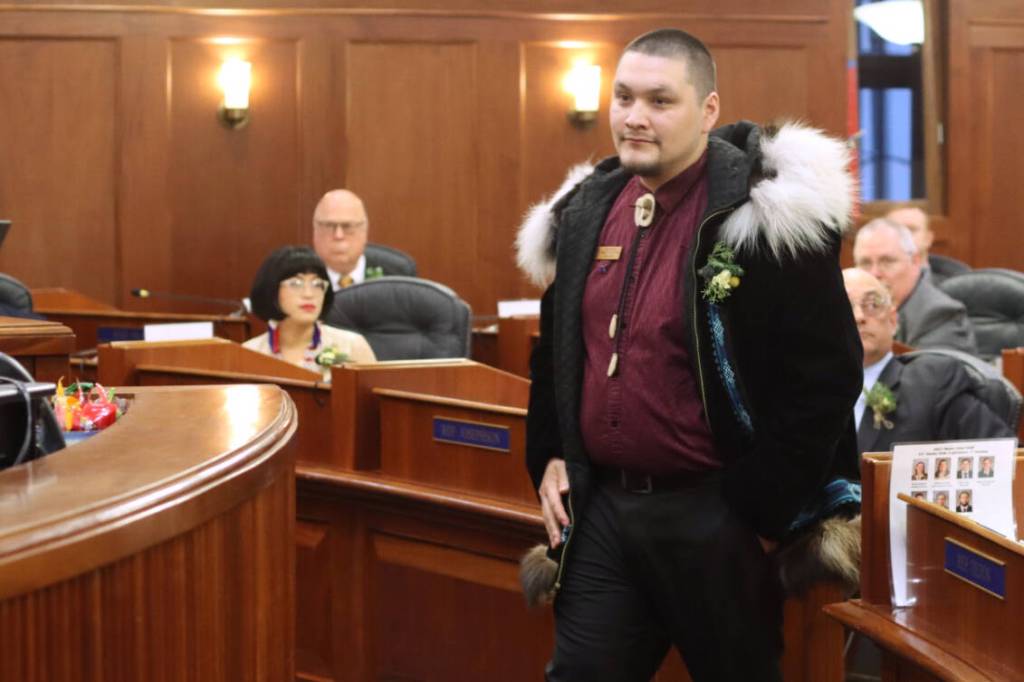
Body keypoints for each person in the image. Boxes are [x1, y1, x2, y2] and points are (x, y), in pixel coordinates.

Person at [515, 28, 862, 681]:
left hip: (716, 514)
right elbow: (557, 346)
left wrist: (757, 508)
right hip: (606, 513)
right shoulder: (591, 205)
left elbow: (826, 375)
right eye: (623, 98)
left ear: (707, 111)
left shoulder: (763, 212)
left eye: (659, 101)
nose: (634, 117)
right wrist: (553, 452)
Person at [844, 268, 1014, 454]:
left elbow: (1002, 458)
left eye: (872, 304)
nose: (859, 316)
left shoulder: (933, 382)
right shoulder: (811, 389)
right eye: (844, 306)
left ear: (893, 320)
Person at [244, 245, 376, 379]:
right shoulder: (248, 353)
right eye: (296, 283)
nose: (309, 294)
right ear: (271, 289)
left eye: (317, 284)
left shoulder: (351, 346)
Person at [853, 218, 977, 354]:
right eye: (865, 263)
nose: (874, 273)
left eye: (887, 261)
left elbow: (930, 373)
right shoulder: (853, 313)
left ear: (916, 262)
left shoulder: (940, 315)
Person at [312, 189, 403, 290]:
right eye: (329, 226)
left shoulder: (397, 275)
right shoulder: (296, 276)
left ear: (365, 231)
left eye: (348, 226)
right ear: (315, 230)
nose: (338, 235)